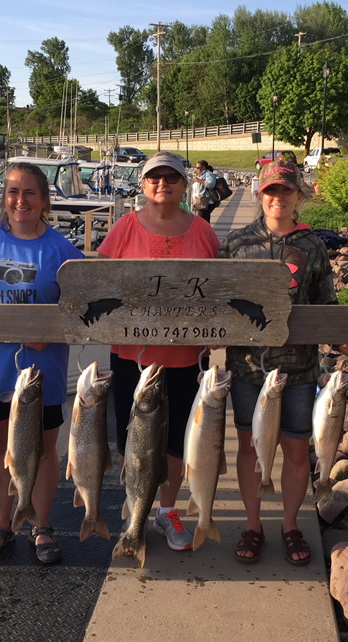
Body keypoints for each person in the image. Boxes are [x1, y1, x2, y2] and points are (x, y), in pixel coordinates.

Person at [217, 160, 348, 566]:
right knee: (250, 446)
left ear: (298, 196)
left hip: (298, 369)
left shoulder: (313, 245)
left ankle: (291, 524)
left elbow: (326, 304)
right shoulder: (235, 244)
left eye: (285, 191)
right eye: (270, 191)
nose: (277, 198)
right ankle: (252, 524)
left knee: (297, 451)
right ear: (260, 195)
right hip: (247, 367)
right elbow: (217, 305)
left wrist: (341, 337)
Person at [0, 162, 83, 565]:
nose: (19, 201)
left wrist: (53, 327)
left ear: (44, 200)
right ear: (2, 197)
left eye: (29, 193)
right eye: (11, 192)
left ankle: (41, 525)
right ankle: (2, 524)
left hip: (41, 370)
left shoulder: (61, 248)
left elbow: (81, 301)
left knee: (42, 449)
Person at [97, 151, 220, 552]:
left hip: (185, 358)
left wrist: (217, 353)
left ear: (186, 185)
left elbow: (220, 291)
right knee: (130, 440)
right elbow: (96, 282)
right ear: (143, 184)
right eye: (154, 178)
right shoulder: (124, 228)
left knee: (174, 442)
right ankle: (135, 507)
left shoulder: (203, 231)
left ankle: (167, 512)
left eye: (171, 178)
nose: (162, 184)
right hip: (131, 355)